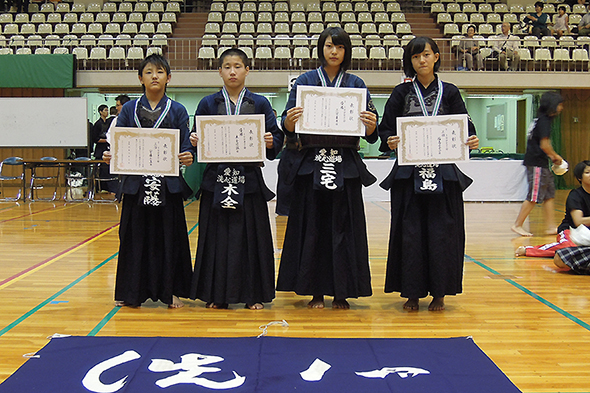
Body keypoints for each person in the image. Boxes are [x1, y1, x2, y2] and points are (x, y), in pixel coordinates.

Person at [276, 27, 379, 310]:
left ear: (347, 52)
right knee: (313, 228)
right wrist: (288, 122)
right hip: (310, 164)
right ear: (321, 49)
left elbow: (372, 133)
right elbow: (287, 125)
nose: (334, 51)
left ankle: (342, 291)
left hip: (344, 165)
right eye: (329, 46)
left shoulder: (357, 83)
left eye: (340, 47)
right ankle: (315, 291)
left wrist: (371, 126)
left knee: (345, 228)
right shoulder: (306, 81)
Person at [379, 36, 480, 312]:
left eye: (425, 54)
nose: (421, 60)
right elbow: (385, 129)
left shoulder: (450, 92)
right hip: (408, 176)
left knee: (442, 234)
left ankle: (440, 293)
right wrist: (389, 140)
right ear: (409, 62)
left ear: (436, 56)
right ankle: (411, 293)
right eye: (415, 57)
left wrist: (471, 139)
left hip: (444, 176)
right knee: (409, 234)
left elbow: (465, 127)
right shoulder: (401, 93)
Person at [189, 48, 283, 310]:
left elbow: (276, 139)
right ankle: (216, 294)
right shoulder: (207, 103)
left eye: (238, 66)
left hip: (249, 179)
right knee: (216, 237)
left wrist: (270, 140)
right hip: (216, 180)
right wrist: (193, 140)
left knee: (251, 238)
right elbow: (193, 138)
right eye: (227, 66)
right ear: (219, 71)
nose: (232, 71)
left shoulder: (260, 103)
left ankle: (253, 294)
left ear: (247, 71)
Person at [103, 54, 195, 309]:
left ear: (168, 77)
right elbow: (118, 142)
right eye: (149, 72)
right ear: (140, 78)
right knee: (133, 237)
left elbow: (185, 145)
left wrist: (188, 155)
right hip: (135, 184)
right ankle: (131, 291)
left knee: (170, 237)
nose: (155, 76)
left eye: (160, 72)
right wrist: (112, 154)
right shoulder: (129, 109)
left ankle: (171, 291)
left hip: (167, 185)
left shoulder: (177, 110)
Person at [512, 92, 565, 237]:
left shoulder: (540, 119)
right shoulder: (544, 121)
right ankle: (517, 224)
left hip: (541, 163)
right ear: (553, 104)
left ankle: (550, 226)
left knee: (549, 194)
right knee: (534, 195)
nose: (561, 108)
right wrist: (556, 157)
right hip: (536, 163)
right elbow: (545, 144)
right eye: (560, 104)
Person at [516, 160, 590, 257]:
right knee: (569, 246)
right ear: (580, 177)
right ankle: (530, 250)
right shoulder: (575, 195)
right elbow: (578, 221)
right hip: (571, 231)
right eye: (588, 172)